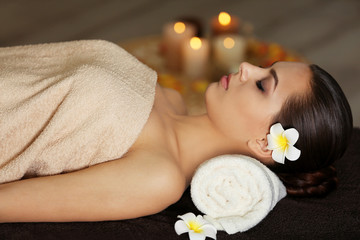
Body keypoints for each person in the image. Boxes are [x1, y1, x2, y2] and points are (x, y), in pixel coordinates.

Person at [0, 40, 353, 222]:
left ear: (264, 143)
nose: (246, 67)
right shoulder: (169, 98)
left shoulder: (157, 179)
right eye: (265, 68)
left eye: (263, 85)